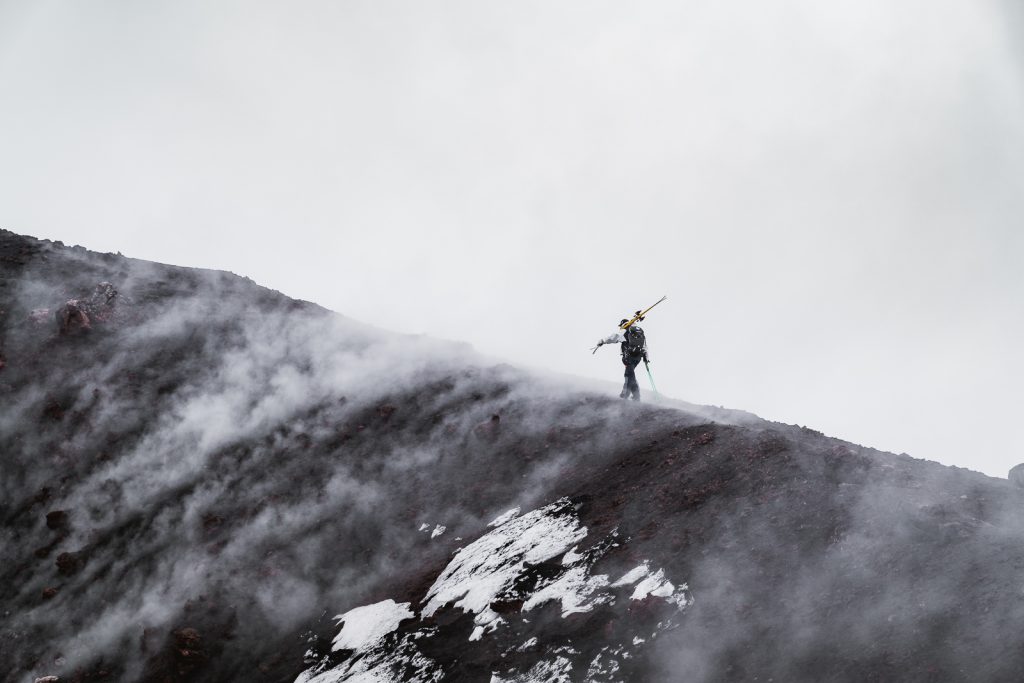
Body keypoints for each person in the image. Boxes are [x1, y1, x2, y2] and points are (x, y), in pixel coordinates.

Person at [593, 319, 649, 400]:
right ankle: (636, 396)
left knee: (628, 375)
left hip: (628, 356)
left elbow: (614, 337)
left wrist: (603, 341)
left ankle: (624, 395)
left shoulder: (625, 330)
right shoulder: (639, 331)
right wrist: (646, 358)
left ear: (623, 324)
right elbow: (645, 346)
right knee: (631, 374)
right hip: (638, 357)